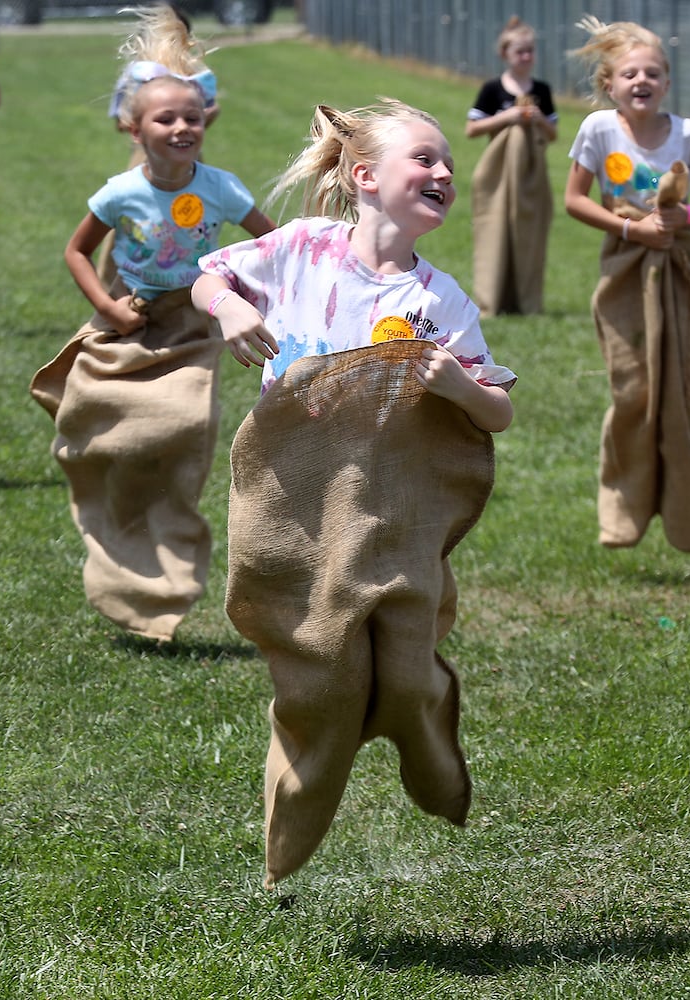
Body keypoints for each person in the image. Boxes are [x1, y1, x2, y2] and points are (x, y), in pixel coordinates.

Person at [193, 100, 516, 888]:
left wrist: (458, 388)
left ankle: (428, 735)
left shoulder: (438, 301)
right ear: (364, 177)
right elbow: (210, 277)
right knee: (322, 680)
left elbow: (499, 409)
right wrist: (234, 306)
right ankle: (289, 832)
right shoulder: (301, 250)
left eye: (447, 163)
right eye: (425, 160)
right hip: (295, 503)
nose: (444, 172)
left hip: (387, 506)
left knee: (404, 672)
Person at [28, 74, 274, 642]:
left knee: (186, 424)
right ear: (134, 129)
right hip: (130, 316)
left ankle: (164, 570)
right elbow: (77, 251)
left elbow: (269, 243)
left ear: (206, 122)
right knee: (99, 421)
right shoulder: (119, 192)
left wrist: (254, 295)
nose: (181, 127)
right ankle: (116, 515)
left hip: (193, 321)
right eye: (165, 119)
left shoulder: (221, 188)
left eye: (191, 116)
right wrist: (107, 310)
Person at [564, 16, 690, 553]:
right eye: (630, 73)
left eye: (653, 73)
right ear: (609, 84)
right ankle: (623, 512)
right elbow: (576, 199)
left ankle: (689, 518)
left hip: (682, 267)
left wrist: (688, 215)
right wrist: (631, 227)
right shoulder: (597, 131)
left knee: (681, 391)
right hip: (625, 265)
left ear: (666, 83)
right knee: (633, 388)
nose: (642, 81)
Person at [96, 4, 219, 289]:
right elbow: (119, 119)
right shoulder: (137, 74)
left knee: (191, 220)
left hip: (190, 160)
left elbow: (215, 107)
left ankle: (187, 280)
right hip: (144, 158)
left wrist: (190, 124)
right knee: (132, 217)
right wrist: (151, 125)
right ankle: (112, 282)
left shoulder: (194, 75)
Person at [465, 15, 557, 317]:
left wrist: (537, 117)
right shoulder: (493, 89)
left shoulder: (541, 90)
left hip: (531, 176)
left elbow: (553, 134)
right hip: (498, 174)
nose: (526, 57)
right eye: (520, 52)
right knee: (495, 231)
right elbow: (472, 129)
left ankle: (527, 302)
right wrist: (508, 118)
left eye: (530, 51)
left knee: (529, 233)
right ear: (506, 54)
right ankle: (492, 301)